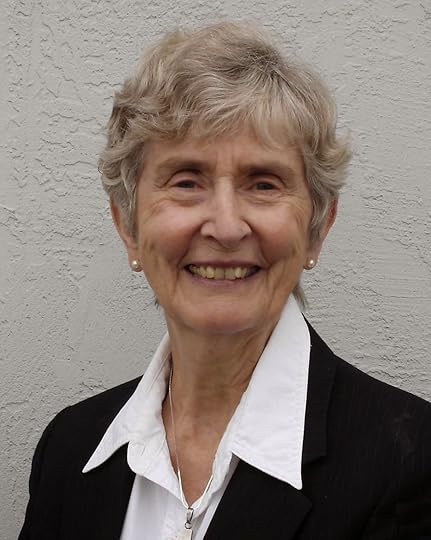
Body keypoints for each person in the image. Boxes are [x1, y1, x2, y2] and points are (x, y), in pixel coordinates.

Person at [18, 22, 431, 540]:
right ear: (128, 225)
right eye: (186, 181)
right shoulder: (69, 450)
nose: (227, 226)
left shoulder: (411, 462)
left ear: (317, 228)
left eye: (264, 184)